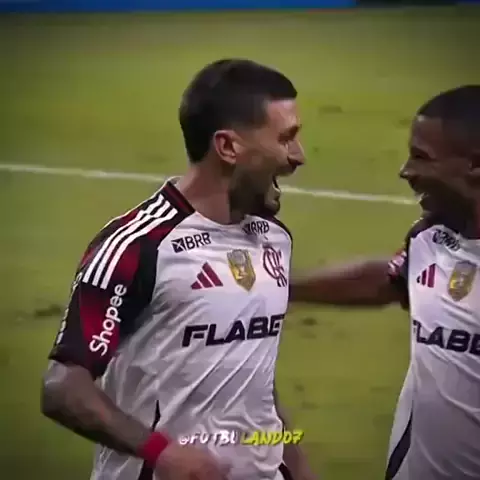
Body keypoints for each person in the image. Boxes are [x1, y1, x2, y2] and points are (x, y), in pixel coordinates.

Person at [40, 59, 315, 480]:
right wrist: (161, 452)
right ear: (228, 147)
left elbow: (251, 373)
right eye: (286, 138)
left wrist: (295, 465)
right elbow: (62, 387)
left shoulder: (273, 238)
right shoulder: (137, 247)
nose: (299, 155)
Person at [289, 85, 480, 479]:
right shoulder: (431, 239)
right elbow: (390, 281)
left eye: (422, 157)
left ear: (474, 165)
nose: (406, 171)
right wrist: (282, 290)